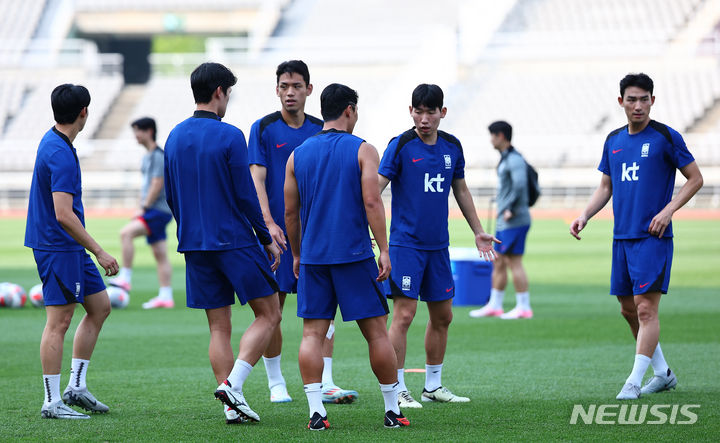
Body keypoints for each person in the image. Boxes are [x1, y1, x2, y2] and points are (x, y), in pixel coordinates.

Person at [570, 73, 703, 400]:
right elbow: (606, 186)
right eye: (632, 99)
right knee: (628, 310)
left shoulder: (665, 137)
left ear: (652, 101)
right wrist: (585, 215)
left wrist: (668, 210)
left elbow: (695, 178)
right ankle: (663, 373)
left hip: (652, 239)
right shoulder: (613, 141)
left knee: (646, 310)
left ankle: (633, 381)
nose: (638, 105)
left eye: (644, 99)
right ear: (621, 102)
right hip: (622, 239)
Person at [285, 83, 409, 430]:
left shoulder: (298, 154)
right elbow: (373, 201)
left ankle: (316, 413)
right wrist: (384, 249)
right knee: (377, 334)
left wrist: (297, 254)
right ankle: (391, 410)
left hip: (313, 257)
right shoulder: (363, 150)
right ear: (350, 111)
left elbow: (290, 214)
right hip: (354, 255)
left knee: (312, 335)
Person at [163, 62, 282, 424]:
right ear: (219, 92)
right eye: (228, 92)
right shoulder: (230, 135)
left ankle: (232, 407)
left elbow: (171, 196)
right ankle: (234, 384)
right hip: (232, 240)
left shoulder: (173, 136)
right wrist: (266, 237)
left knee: (219, 327)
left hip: (194, 242)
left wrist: (189, 230)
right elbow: (246, 196)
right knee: (270, 313)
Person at [378, 84, 498, 409]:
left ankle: (432, 385)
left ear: (442, 113)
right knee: (403, 315)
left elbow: (461, 189)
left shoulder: (452, 147)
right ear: (411, 111)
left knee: (443, 315)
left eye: (430, 111)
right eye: (418, 110)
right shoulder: (400, 145)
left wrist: (478, 231)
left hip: (438, 247)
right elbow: (375, 189)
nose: (424, 117)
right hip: (405, 246)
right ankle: (397, 388)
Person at [248, 60, 358, 404]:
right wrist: (268, 223)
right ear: (276, 89)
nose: (290, 92)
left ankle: (325, 382)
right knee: (273, 310)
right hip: (277, 235)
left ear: (309, 89)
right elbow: (257, 178)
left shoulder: (320, 128)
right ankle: (276, 382)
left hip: (317, 237)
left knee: (325, 312)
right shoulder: (263, 128)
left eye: (296, 86)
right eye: (283, 86)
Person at [25, 84, 119, 419]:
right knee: (59, 321)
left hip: (69, 246)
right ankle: (51, 402)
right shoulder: (60, 153)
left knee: (100, 306)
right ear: (84, 112)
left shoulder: (55, 141)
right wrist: (99, 251)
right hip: (58, 246)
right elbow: (63, 214)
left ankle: (75, 387)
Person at [108, 117, 174, 309]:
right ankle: (165, 296)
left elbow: (157, 183)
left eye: (138, 131)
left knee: (126, 233)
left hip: (157, 210)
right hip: (155, 210)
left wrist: (143, 208)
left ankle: (125, 277)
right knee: (160, 253)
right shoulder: (148, 156)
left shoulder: (158, 156)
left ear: (149, 131)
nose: (135, 135)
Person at [470, 121, 533, 319]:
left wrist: (510, 209)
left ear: (501, 136)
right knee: (499, 262)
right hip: (507, 220)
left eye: (492, 136)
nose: (491, 140)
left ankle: (523, 307)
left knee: (513, 262)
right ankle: (495, 304)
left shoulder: (513, 159)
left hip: (513, 220)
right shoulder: (508, 158)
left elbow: (521, 185)